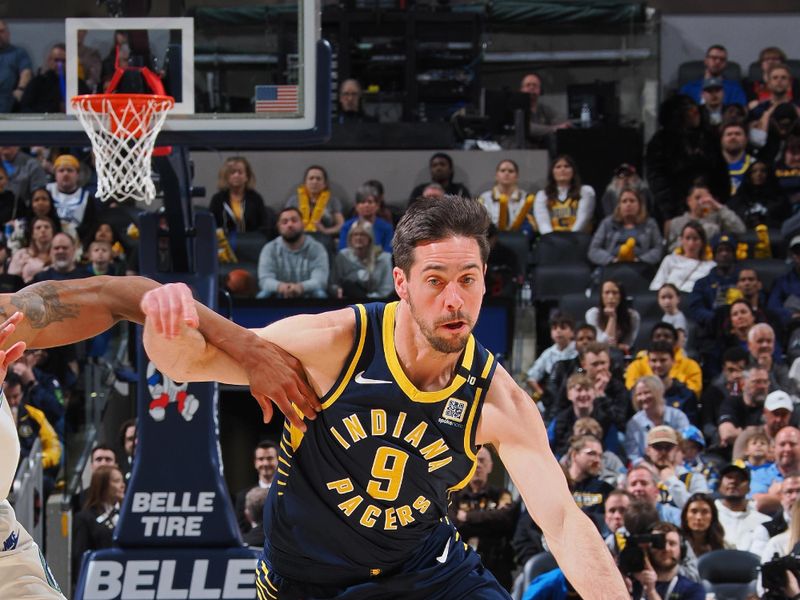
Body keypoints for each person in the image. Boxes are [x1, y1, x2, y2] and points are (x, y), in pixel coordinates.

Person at [139, 195, 628, 597]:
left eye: (468, 280)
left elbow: (563, 521)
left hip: (423, 569)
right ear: (402, 284)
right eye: (435, 281)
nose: (454, 300)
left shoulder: (498, 399)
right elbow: (187, 363)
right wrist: (164, 325)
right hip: (308, 580)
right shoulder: (336, 343)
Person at [449, 446, 519, 591]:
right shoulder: (454, 495)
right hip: (461, 566)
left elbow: (505, 520)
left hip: (496, 566)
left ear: (490, 466)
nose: (478, 465)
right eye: (474, 460)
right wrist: (490, 521)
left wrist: (467, 516)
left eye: (482, 461)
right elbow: (454, 525)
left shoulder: (501, 494)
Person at [256, 207, 330, 299]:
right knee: (263, 295)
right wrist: (281, 287)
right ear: (278, 227)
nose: (290, 224)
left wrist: (300, 287)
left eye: (294, 220)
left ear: (303, 224)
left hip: (309, 296)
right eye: (284, 222)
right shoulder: (269, 249)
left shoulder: (317, 248)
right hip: (278, 296)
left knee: (320, 294)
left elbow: (320, 281)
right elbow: (264, 280)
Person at [71, 465, 126, 584]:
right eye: (116, 481)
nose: (122, 485)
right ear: (103, 486)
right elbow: (80, 557)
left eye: (122, 481)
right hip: (99, 582)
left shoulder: (128, 515)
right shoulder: (84, 518)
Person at [588, 187, 663, 267]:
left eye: (632, 201)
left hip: (640, 267)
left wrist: (639, 261)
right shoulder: (607, 223)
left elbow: (658, 250)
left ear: (640, 205)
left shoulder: (650, 224)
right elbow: (593, 250)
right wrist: (612, 260)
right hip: (612, 266)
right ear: (619, 206)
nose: (628, 204)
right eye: (624, 201)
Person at [631, 522, 706, 600]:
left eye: (672, 543)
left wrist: (651, 592)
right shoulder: (634, 584)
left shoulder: (693, 589)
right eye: (659, 543)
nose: (666, 549)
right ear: (648, 548)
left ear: (682, 549)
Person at [625, 376, 690, 465]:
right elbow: (634, 455)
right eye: (639, 394)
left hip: (676, 464)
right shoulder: (634, 423)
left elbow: (685, 446)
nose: (643, 398)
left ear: (659, 392)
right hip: (647, 468)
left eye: (647, 392)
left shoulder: (678, 417)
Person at [665, 183, 745, 252]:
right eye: (697, 198)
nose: (701, 202)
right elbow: (671, 249)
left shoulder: (717, 218)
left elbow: (740, 230)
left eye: (705, 198)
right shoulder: (677, 222)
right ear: (689, 201)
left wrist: (719, 207)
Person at [208, 156, 275, 236]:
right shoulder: (217, 199)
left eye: (240, 172)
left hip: (250, 243)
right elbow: (210, 227)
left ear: (247, 176)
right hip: (224, 244)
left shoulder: (256, 199)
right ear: (226, 176)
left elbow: (264, 227)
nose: (236, 175)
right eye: (232, 172)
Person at [331, 219, 394, 300]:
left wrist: (368, 299)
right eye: (355, 234)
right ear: (350, 238)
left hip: (377, 301)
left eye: (363, 234)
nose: (358, 238)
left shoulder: (383, 258)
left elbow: (387, 288)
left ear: (370, 238)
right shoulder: (343, 256)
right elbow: (334, 282)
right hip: (348, 301)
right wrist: (336, 290)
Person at [533, 155, 595, 234]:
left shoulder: (585, 191)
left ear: (573, 171)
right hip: (552, 240)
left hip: (578, 239)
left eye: (567, 166)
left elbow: (584, 218)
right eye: (558, 167)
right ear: (552, 172)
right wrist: (551, 238)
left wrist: (571, 236)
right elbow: (542, 222)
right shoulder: (542, 195)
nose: (562, 169)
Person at [714, 463, 770, 551]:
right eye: (729, 477)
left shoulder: (764, 522)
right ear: (719, 485)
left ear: (749, 488)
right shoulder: (709, 516)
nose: (733, 481)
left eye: (740, 478)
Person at [233, 440, 278, 535]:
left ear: (278, 460)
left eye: (270, 458)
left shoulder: (288, 493)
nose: (265, 463)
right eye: (261, 459)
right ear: (255, 463)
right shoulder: (242, 496)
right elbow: (240, 532)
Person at [285, 165, 344, 237]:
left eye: (318, 179)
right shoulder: (293, 201)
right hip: (297, 236)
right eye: (311, 178)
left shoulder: (333, 201)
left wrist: (325, 231)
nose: (314, 182)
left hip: (323, 237)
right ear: (305, 183)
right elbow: (285, 222)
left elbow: (341, 225)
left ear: (325, 184)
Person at [679, 44, 747, 107]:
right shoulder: (689, 88)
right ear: (706, 61)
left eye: (722, 60)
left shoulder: (734, 88)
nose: (718, 62)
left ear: (726, 64)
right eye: (714, 58)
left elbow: (741, 111)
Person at [477, 159, 533, 234]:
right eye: (503, 170)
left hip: (520, 237)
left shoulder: (526, 197)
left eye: (511, 171)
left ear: (517, 176)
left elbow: (531, 224)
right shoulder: (484, 198)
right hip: (492, 238)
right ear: (496, 175)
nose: (506, 173)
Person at [585, 279, 641, 353]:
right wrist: (612, 318)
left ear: (621, 296)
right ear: (601, 296)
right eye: (607, 292)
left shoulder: (633, 316)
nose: (611, 297)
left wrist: (616, 347)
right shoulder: (592, 314)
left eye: (615, 293)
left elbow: (628, 345)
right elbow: (602, 344)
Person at [519, 73, 570, 149]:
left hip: (543, 154)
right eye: (528, 85)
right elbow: (526, 128)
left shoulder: (544, 109)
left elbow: (564, 123)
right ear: (521, 89)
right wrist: (554, 129)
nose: (532, 87)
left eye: (535, 85)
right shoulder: (517, 109)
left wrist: (562, 126)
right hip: (519, 153)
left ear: (540, 90)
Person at [338, 183, 394, 252]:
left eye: (370, 202)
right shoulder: (346, 227)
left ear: (377, 206)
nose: (366, 205)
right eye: (362, 202)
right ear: (356, 206)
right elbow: (343, 250)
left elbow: (388, 252)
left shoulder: (387, 228)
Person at [7, 215, 54, 284]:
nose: (43, 230)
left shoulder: (60, 253)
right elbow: (11, 280)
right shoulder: (21, 254)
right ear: (32, 234)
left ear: (52, 232)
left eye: (46, 227)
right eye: (38, 228)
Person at [679, 492, 727, 558]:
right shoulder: (676, 545)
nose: (699, 517)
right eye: (694, 511)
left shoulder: (725, 548)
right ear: (685, 516)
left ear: (712, 517)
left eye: (705, 512)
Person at [0, 20, 32, 113]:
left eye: (1, 31)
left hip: (7, 97)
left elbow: (26, 72)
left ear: (8, 33)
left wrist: (20, 89)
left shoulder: (18, 52)